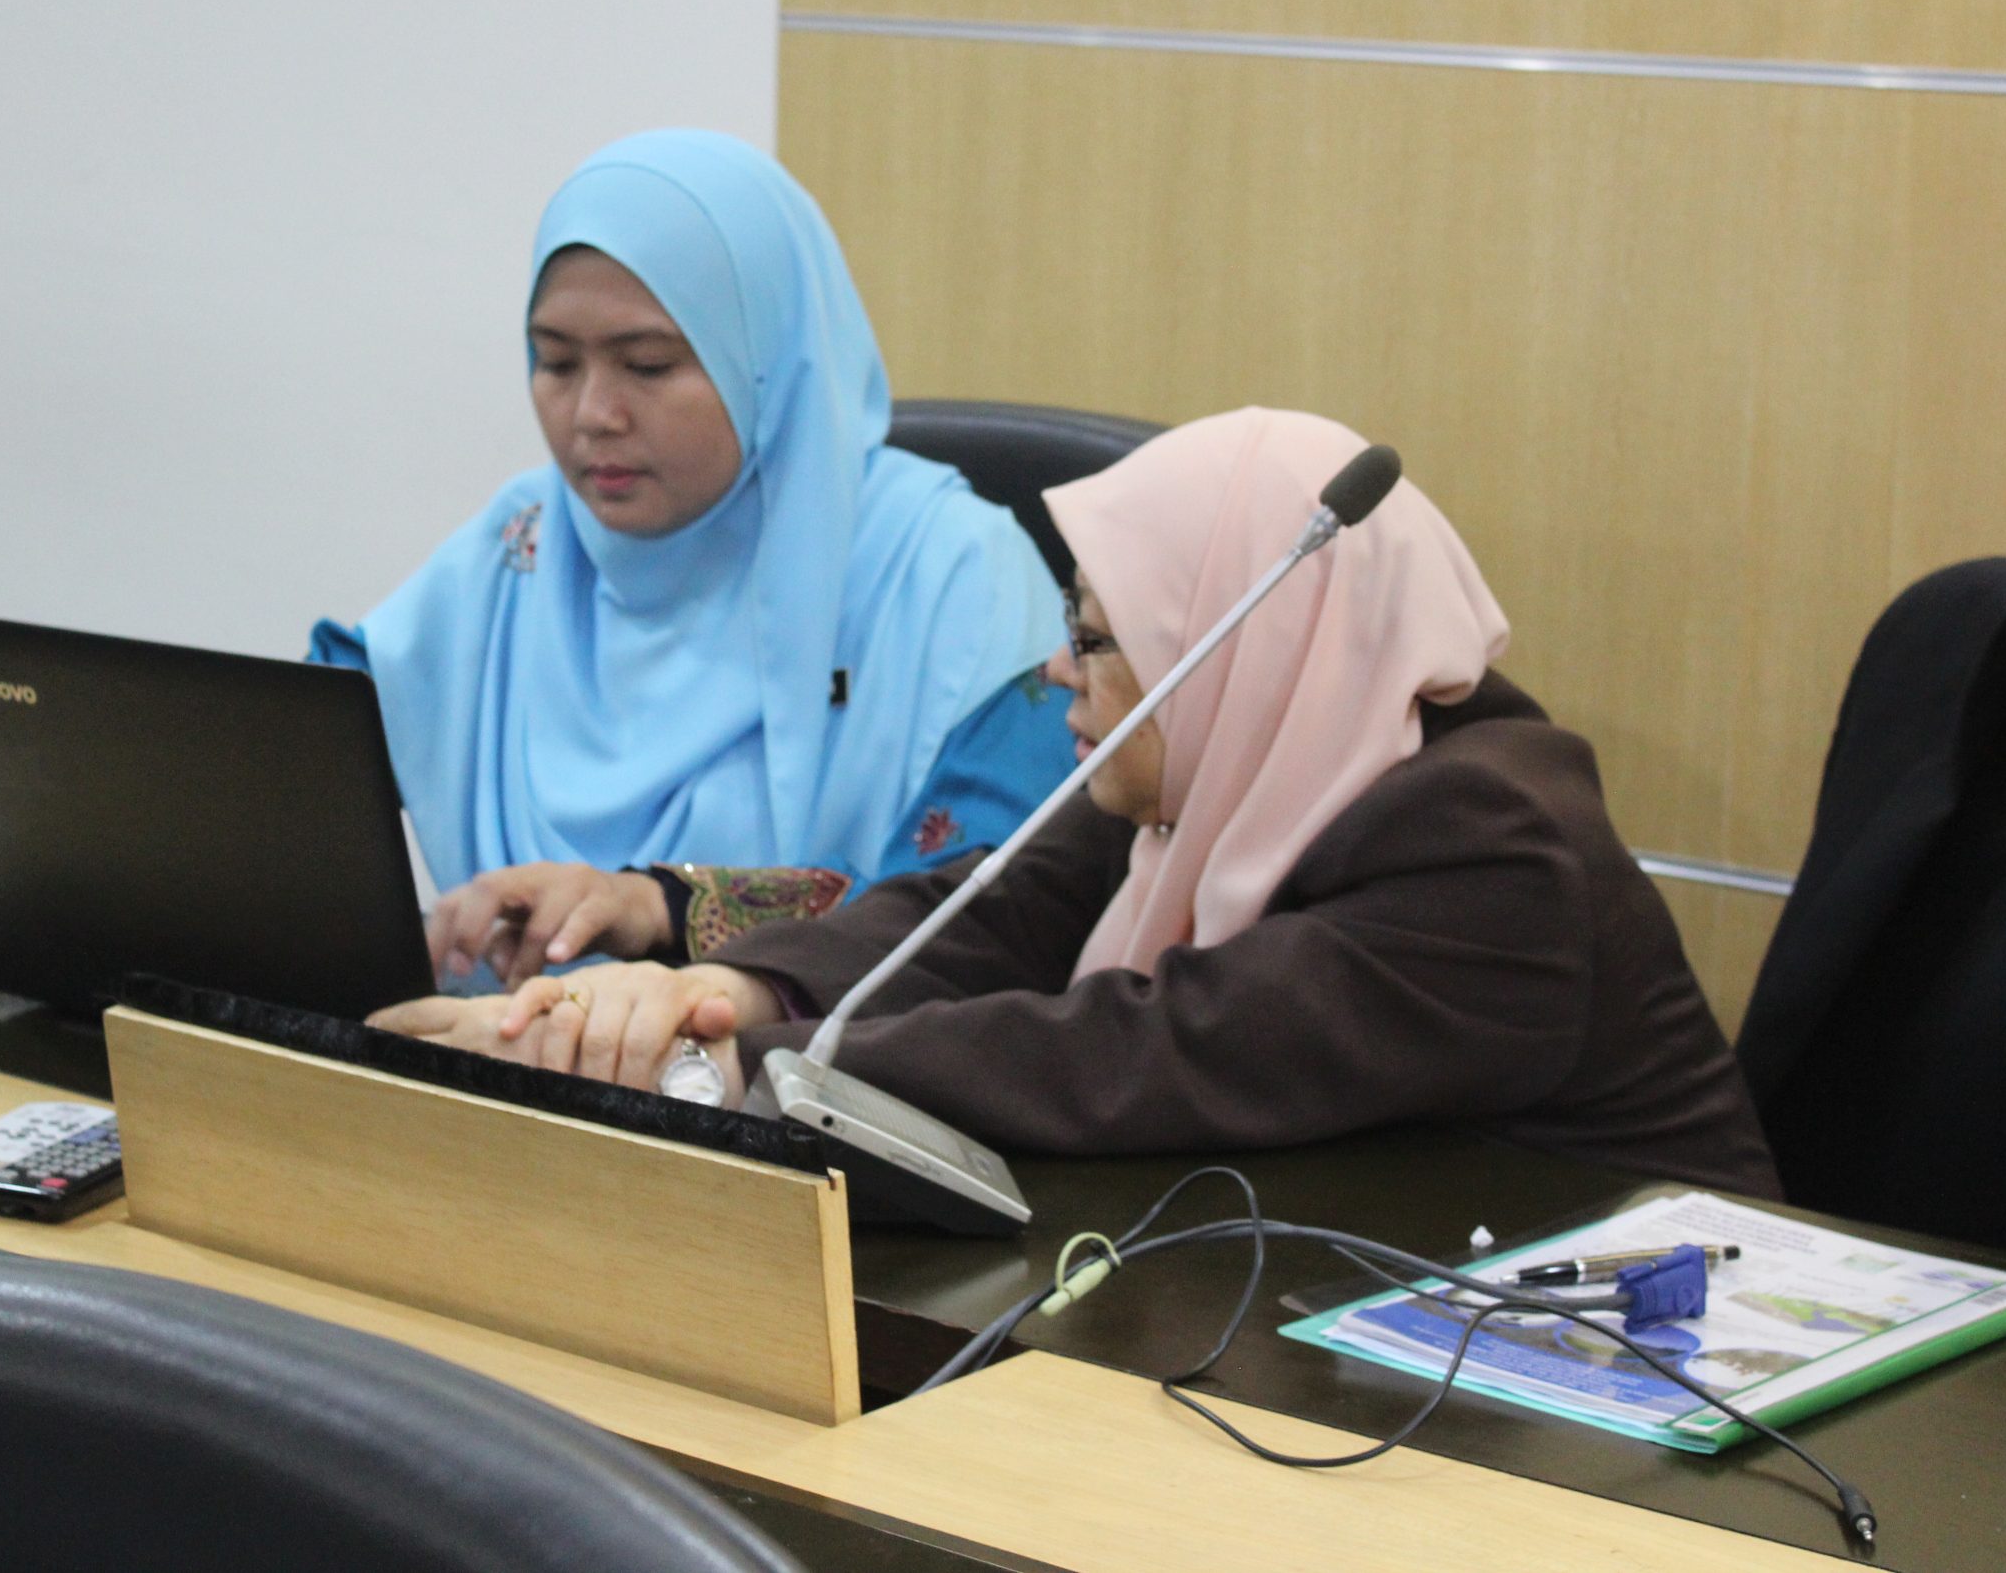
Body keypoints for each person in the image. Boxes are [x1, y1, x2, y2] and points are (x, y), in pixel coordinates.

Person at [373, 407, 1781, 1197]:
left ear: (1239, 652)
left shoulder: (1494, 853)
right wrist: (714, 997)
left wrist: (708, 1075)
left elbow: (1139, 1050)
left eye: (1097, 637)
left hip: (1639, 1416)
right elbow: (974, 918)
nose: (1057, 669)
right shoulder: (1229, 760)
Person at [314, 131, 1073, 986]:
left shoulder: (950, 573)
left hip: (799, 1065)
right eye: (555, 362)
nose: (592, 413)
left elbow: (1000, 913)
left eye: (647, 365)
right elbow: (301, 747)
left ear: (768, 362)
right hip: (492, 1051)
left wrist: (656, 906)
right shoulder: (525, 544)